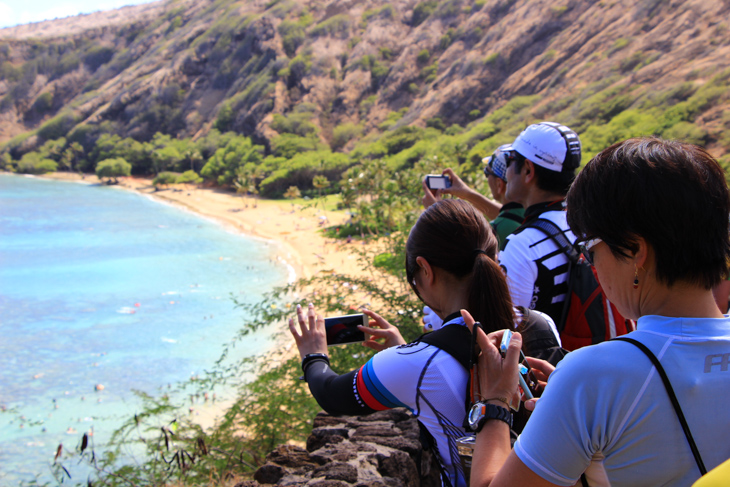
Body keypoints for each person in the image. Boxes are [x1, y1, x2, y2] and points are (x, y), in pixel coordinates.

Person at [465, 137, 730, 486]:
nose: (591, 265)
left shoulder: (592, 378)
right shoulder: (589, 379)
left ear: (636, 251)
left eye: (588, 248)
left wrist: (496, 403)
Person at [288, 199, 559, 487]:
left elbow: (331, 394)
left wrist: (313, 354)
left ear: (425, 270)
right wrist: (408, 353)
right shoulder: (540, 324)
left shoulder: (417, 363)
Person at [496, 122, 582, 323]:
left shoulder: (522, 247)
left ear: (528, 170)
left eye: (510, 160)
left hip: (548, 355)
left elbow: (509, 332)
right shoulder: (587, 224)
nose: (506, 171)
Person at [421, 146, 524, 250]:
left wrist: (436, 212)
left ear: (499, 184)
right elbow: (509, 215)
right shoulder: (530, 212)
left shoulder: (497, 231)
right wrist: (467, 194)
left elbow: (460, 251)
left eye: (486, 173)